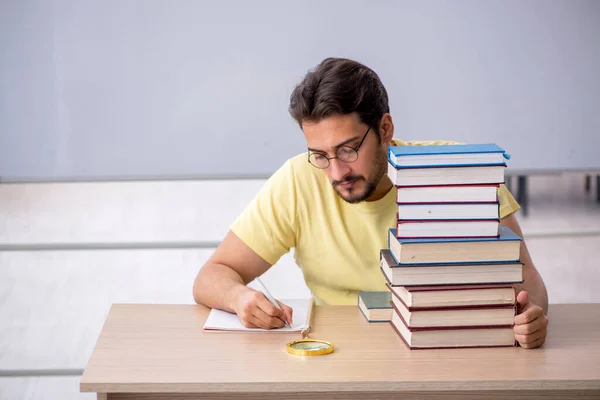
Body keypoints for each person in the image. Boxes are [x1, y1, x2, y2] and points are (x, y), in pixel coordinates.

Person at [193, 57, 549, 349]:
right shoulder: (298, 180)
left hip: (447, 351)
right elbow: (211, 276)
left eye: (348, 149)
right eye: (320, 154)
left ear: (385, 128)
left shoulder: (459, 174)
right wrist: (239, 298)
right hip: (339, 355)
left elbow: (528, 280)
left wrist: (529, 317)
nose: (336, 172)